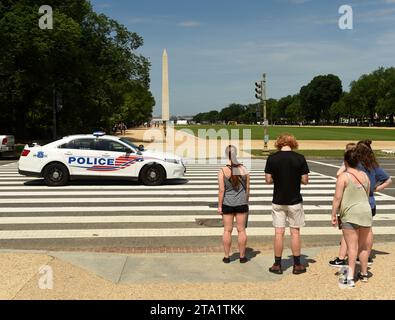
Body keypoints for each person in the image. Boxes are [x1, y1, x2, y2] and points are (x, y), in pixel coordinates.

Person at [329, 141, 392, 267]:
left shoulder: (356, 165)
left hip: (353, 202)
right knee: (368, 231)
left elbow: (339, 174)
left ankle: (342, 257)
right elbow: (388, 180)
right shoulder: (373, 166)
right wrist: (375, 189)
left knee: (349, 232)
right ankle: (365, 256)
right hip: (369, 202)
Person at [264, 133, 309, 275]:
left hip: (278, 199)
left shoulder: (272, 158)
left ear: (279, 143)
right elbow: (305, 180)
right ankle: (297, 264)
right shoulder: (300, 158)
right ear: (293, 143)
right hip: (294, 199)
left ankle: (277, 264)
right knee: (295, 232)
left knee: (279, 233)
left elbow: (268, 180)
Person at [331, 149, 372, 287]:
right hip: (365, 211)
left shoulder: (344, 177)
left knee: (352, 247)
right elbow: (366, 195)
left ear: (345, 161)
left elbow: (337, 197)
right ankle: (364, 273)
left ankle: (350, 276)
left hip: (350, 213)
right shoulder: (365, 176)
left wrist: (333, 214)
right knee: (363, 246)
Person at [218, 145, 250, 264]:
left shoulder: (222, 171)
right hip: (241, 203)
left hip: (228, 203)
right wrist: (246, 201)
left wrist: (220, 206)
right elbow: (247, 188)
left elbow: (221, 190)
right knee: (241, 230)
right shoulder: (244, 169)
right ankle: (242, 256)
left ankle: (227, 256)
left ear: (226, 155)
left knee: (227, 230)